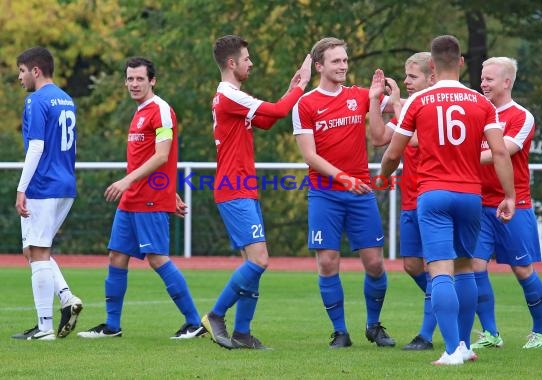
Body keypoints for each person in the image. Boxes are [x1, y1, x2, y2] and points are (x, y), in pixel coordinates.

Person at [380, 35, 516, 365]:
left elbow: (393, 152)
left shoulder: (418, 102)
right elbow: (499, 151)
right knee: (466, 268)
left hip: (433, 194)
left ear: (432, 66)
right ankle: (466, 346)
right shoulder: (481, 103)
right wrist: (509, 195)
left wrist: (383, 178)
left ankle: (453, 348)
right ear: (460, 62)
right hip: (470, 194)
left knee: (439, 269)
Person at [78, 57, 202, 339]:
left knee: (157, 259)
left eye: (140, 79)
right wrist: (172, 190)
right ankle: (112, 326)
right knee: (117, 256)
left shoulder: (161, 110)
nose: (134, 84)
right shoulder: (139, 112)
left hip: (148, 199)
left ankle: (194, 323)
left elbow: (162, 155)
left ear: (152, 81)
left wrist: (128, 181)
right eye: (130, 79)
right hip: (132, 198)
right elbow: (152, 159)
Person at [200, 35, 311, 350]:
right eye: (247, 59)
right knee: (259, 260)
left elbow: (265, 121)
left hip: (241, 186)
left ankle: (243, 333)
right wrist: (300, 86)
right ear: (232, 63)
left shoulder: (234, 97)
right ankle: (216, 315)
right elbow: (277, 111)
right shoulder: (229, 95)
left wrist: (291, 89)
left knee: (252, 263)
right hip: (234, 188)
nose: (252, 64)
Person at [292, 37, 395, 349]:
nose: (343, 66)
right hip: (325, 193)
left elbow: (380, 137)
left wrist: (378, 99)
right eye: (336, 61)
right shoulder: (305, 104)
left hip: (360, 190)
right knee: (327, 262)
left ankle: (374, 326)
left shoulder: (360, 96)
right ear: (320, 65)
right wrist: (342, 178)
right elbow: (309, 155)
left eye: (345, 61)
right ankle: (340, 331)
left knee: (375, 263)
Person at [471, 57, 542, 349]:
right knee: (475, 266)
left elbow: (503, 150)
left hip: (513, 204)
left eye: (489, 79)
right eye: (482, 78)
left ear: (506, 82)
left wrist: (460, 156)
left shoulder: (521, 116)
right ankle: (491, 334)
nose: (483, 84)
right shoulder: (477, 112)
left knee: (522, 270)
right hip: (479, 205)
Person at [12, 47, 83, 341]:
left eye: (22, 71)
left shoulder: (36, 100)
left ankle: (44, 328)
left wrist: (21, 188)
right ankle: (66, 297)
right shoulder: (67, 100)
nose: (19, 77)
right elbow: (72, 148)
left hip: (43, 184)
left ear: (36, 70)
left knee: (38, 252)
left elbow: (37, 147)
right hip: (65, 183)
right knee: (32, 250)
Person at [374, 52, 438, 351]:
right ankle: (445, 298)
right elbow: (378, 137)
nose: (406, 82)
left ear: (432, 77)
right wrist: (377, 102)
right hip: (411, 200)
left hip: (434, 197)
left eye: (412, 76)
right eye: (405, 76)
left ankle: (426, 335)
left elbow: (413, 139)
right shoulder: (408, 107)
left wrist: (398, 105)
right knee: (412, 266)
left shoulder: (436, 105)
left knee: (439, 266)